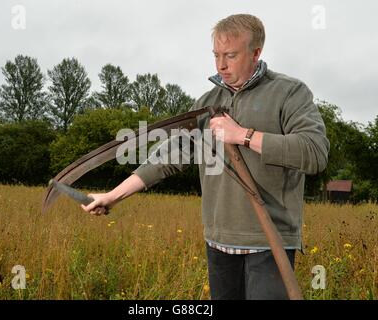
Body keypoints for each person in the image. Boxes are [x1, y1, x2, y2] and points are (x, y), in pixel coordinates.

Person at [81, 14, 329, 300]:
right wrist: (113, 196)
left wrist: (243, 135)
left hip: (269, 242)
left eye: (231, 55)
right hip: (218, 242)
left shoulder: (289, 93)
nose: (221, 65)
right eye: (216, 55)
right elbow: (170, 156)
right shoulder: (206, 103)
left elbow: (314, 152)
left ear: (256, 52)